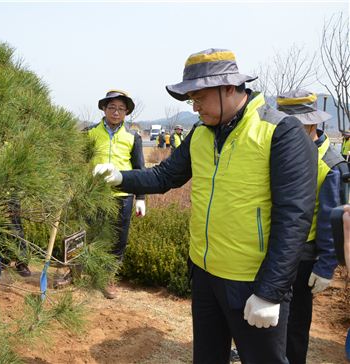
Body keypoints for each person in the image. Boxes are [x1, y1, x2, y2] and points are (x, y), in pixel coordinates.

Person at [93, 49, 317, 363]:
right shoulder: (200, 133)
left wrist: (271, 291)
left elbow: (294, 217)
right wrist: (120, 177)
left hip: (252, 280)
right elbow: (165, 175)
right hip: (205, 275)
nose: (195, 108)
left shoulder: (280, 132)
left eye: (200, 98)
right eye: (191, 101)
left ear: (229, 88)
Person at [276, 90, 346, 364]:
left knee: (294, 326)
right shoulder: (283, 153)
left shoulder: (329, 165)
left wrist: (326, 264)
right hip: (274, 251)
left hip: (303, 258)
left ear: (311, 124)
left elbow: (334, 217)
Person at [86, 89, 146, 299]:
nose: (116, 112)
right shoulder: (90, 133)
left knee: (118, 239)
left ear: (127, 112)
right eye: (112, 107)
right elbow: (79, 163)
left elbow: (139, 169)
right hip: (95, 194)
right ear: (104, 108)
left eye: (121, 109)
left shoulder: (132, 137)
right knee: (90, 233)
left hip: (123, 196)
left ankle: (108, 277)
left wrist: (140, 198)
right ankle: (78, 271)